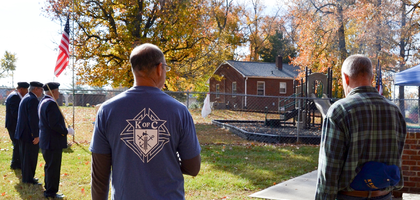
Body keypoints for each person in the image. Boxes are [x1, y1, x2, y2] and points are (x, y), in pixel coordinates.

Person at [90, 43, 201, 199]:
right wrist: (166, 159)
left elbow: (99, 175)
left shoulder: (107, 111)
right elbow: (193, 167)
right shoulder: (179, 111)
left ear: (134, 69)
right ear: (159, 68)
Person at [315, 54, 407, 200]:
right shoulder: (395, 111)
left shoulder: (339, 111)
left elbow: (329, 171)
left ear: (346, 78)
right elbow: (397, 158)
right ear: (371, 78)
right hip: (385, 196)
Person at [38, 82, 74, 199]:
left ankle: (49, 189)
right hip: (52, 142)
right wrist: (66, 131)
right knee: (53, 168)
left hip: (46, 140)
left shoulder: (42, 102)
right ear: (52, 91)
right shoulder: (51, 104)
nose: (59, 93)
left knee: (49, 166)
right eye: (58, 91)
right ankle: (51, 192)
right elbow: (54, 124)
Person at [15, 81, 44, 185]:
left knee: (25, 157)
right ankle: (28, 178)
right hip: (28, 134)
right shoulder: (32, 100)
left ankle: (28, 176)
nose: (42, 91)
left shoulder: (27, 97)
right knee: (30, 157)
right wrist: (36, 135)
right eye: (41, 89)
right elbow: (33, 119)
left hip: (23, 133)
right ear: (35, 89)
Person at [5, 82, 29, 170]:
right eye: (26, 90)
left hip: (14, 124)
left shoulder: (15, 95)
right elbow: (15, 112)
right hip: (13, 125)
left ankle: (17, 162)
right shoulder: (14, 97)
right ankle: (15, 164)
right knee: (17, 143)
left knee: (18, 143)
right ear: (21, 89)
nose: (27, 92)